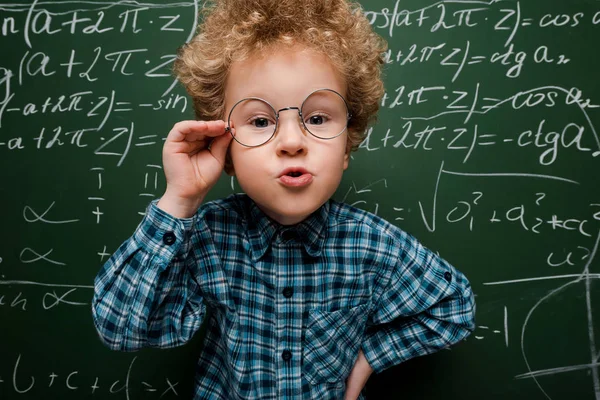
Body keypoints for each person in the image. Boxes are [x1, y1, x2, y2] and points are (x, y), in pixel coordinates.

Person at [92, 0, 476, 399]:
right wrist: (179, 200)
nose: (292, 142)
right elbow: (121, 329)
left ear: (347, 143)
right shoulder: (208, 236)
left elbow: (454, 306)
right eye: (260, 121)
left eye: (317, 118)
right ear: (225, 145)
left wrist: (368, 359)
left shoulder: (372, 245)